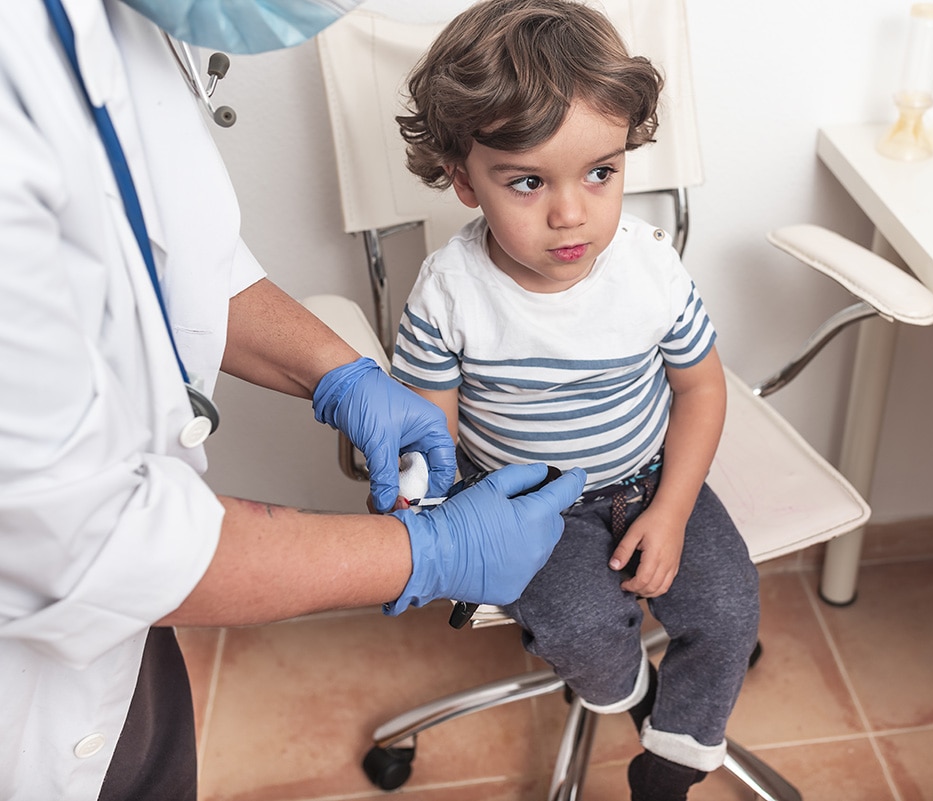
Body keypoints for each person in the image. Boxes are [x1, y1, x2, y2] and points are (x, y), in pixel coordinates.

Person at [0, 1, 586, 799]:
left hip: (118, 652)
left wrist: (339, 372)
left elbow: (174, 258)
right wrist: (427, 552)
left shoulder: (114, 22)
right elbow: (87, 539)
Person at [391, 2, 761, 798]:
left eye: (601, 172)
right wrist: (435, 512)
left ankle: (670, 762)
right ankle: (632, 696)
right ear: (463, 179)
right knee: (582, 627)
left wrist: (670, 509)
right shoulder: (450, 292)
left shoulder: (650, 269)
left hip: (653, 477)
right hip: (530, 506)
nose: (571, 213)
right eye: (527, 181)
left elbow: (699, 387)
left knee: (729, 608)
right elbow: (428, 431)